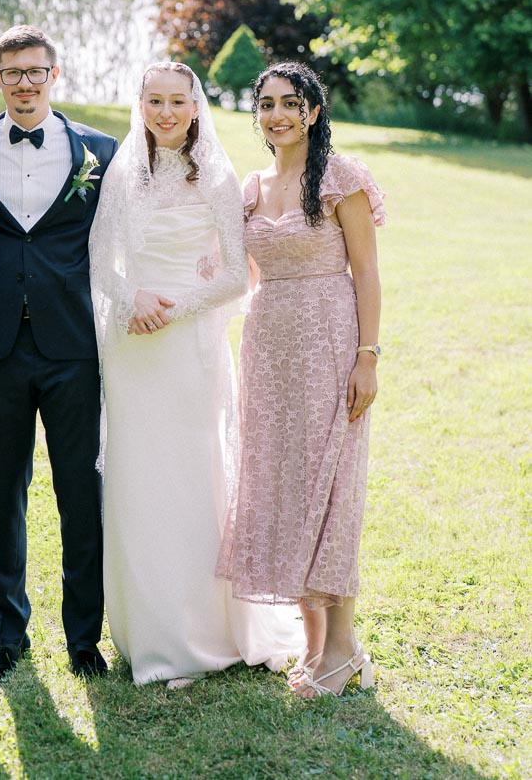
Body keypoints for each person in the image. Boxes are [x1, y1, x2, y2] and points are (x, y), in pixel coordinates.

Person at [89, 62, 305, 687]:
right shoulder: (123, 172)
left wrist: (172, 309)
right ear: (140, 103)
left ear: (193, 106)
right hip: (132, 347)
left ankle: (206, 628)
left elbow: (238, 276)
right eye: (154, 100)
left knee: (191, 477)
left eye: (175, 101)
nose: (164, 112)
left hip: (189, 347)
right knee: (137, 477)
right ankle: (148, 631)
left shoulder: (216, 173)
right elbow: (102, 258)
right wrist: (134, 302)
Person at [0, 25, 118, 681]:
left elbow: (124, 239)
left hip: (74, 345)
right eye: (11, 72)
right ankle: (8, 635)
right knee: (2, 493)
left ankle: (83, 639)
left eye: (35, 71)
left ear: (55, 75)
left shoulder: (98, 151)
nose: (24, 82)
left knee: (83, 493)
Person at [215, 62, 384, 699]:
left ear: (313, 111)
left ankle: (341, 649)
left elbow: (366, 273)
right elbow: (236, 273)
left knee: (330, 484)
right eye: (266, 105)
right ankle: (315, 648)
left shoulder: (342, 178)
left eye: (291, 103)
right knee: (285, 487)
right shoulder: (252, 187)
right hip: (267, 348)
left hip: (330, 343)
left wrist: (367, 355)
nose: (278, 115)